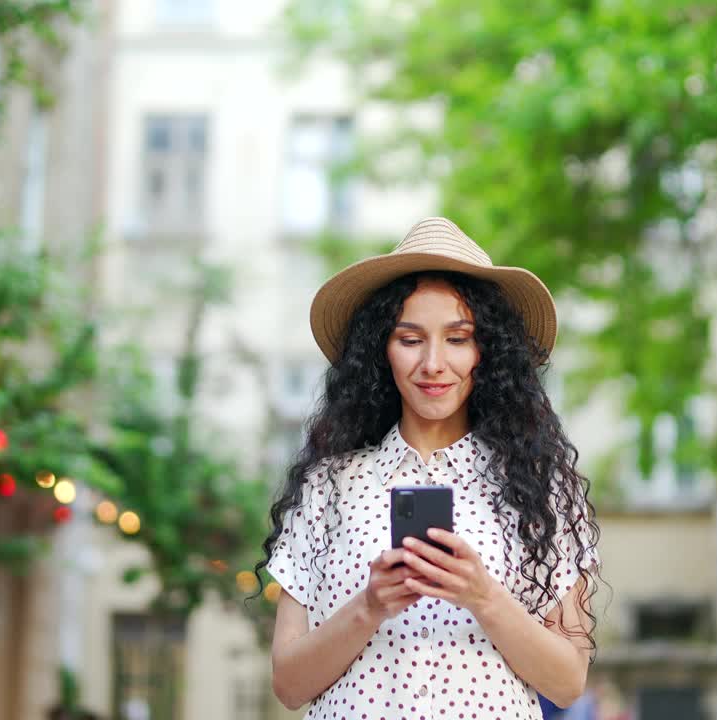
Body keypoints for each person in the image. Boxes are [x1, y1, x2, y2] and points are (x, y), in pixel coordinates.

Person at [258, 217, 602, 718]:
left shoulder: (539, 490)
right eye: (411, 338)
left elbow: (569, 682)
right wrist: (370, 605)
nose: (434, 363)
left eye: (458, 339)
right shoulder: (328, 486)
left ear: (488, 353)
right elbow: (288, 684)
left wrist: (483, 596)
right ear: (382, 352)